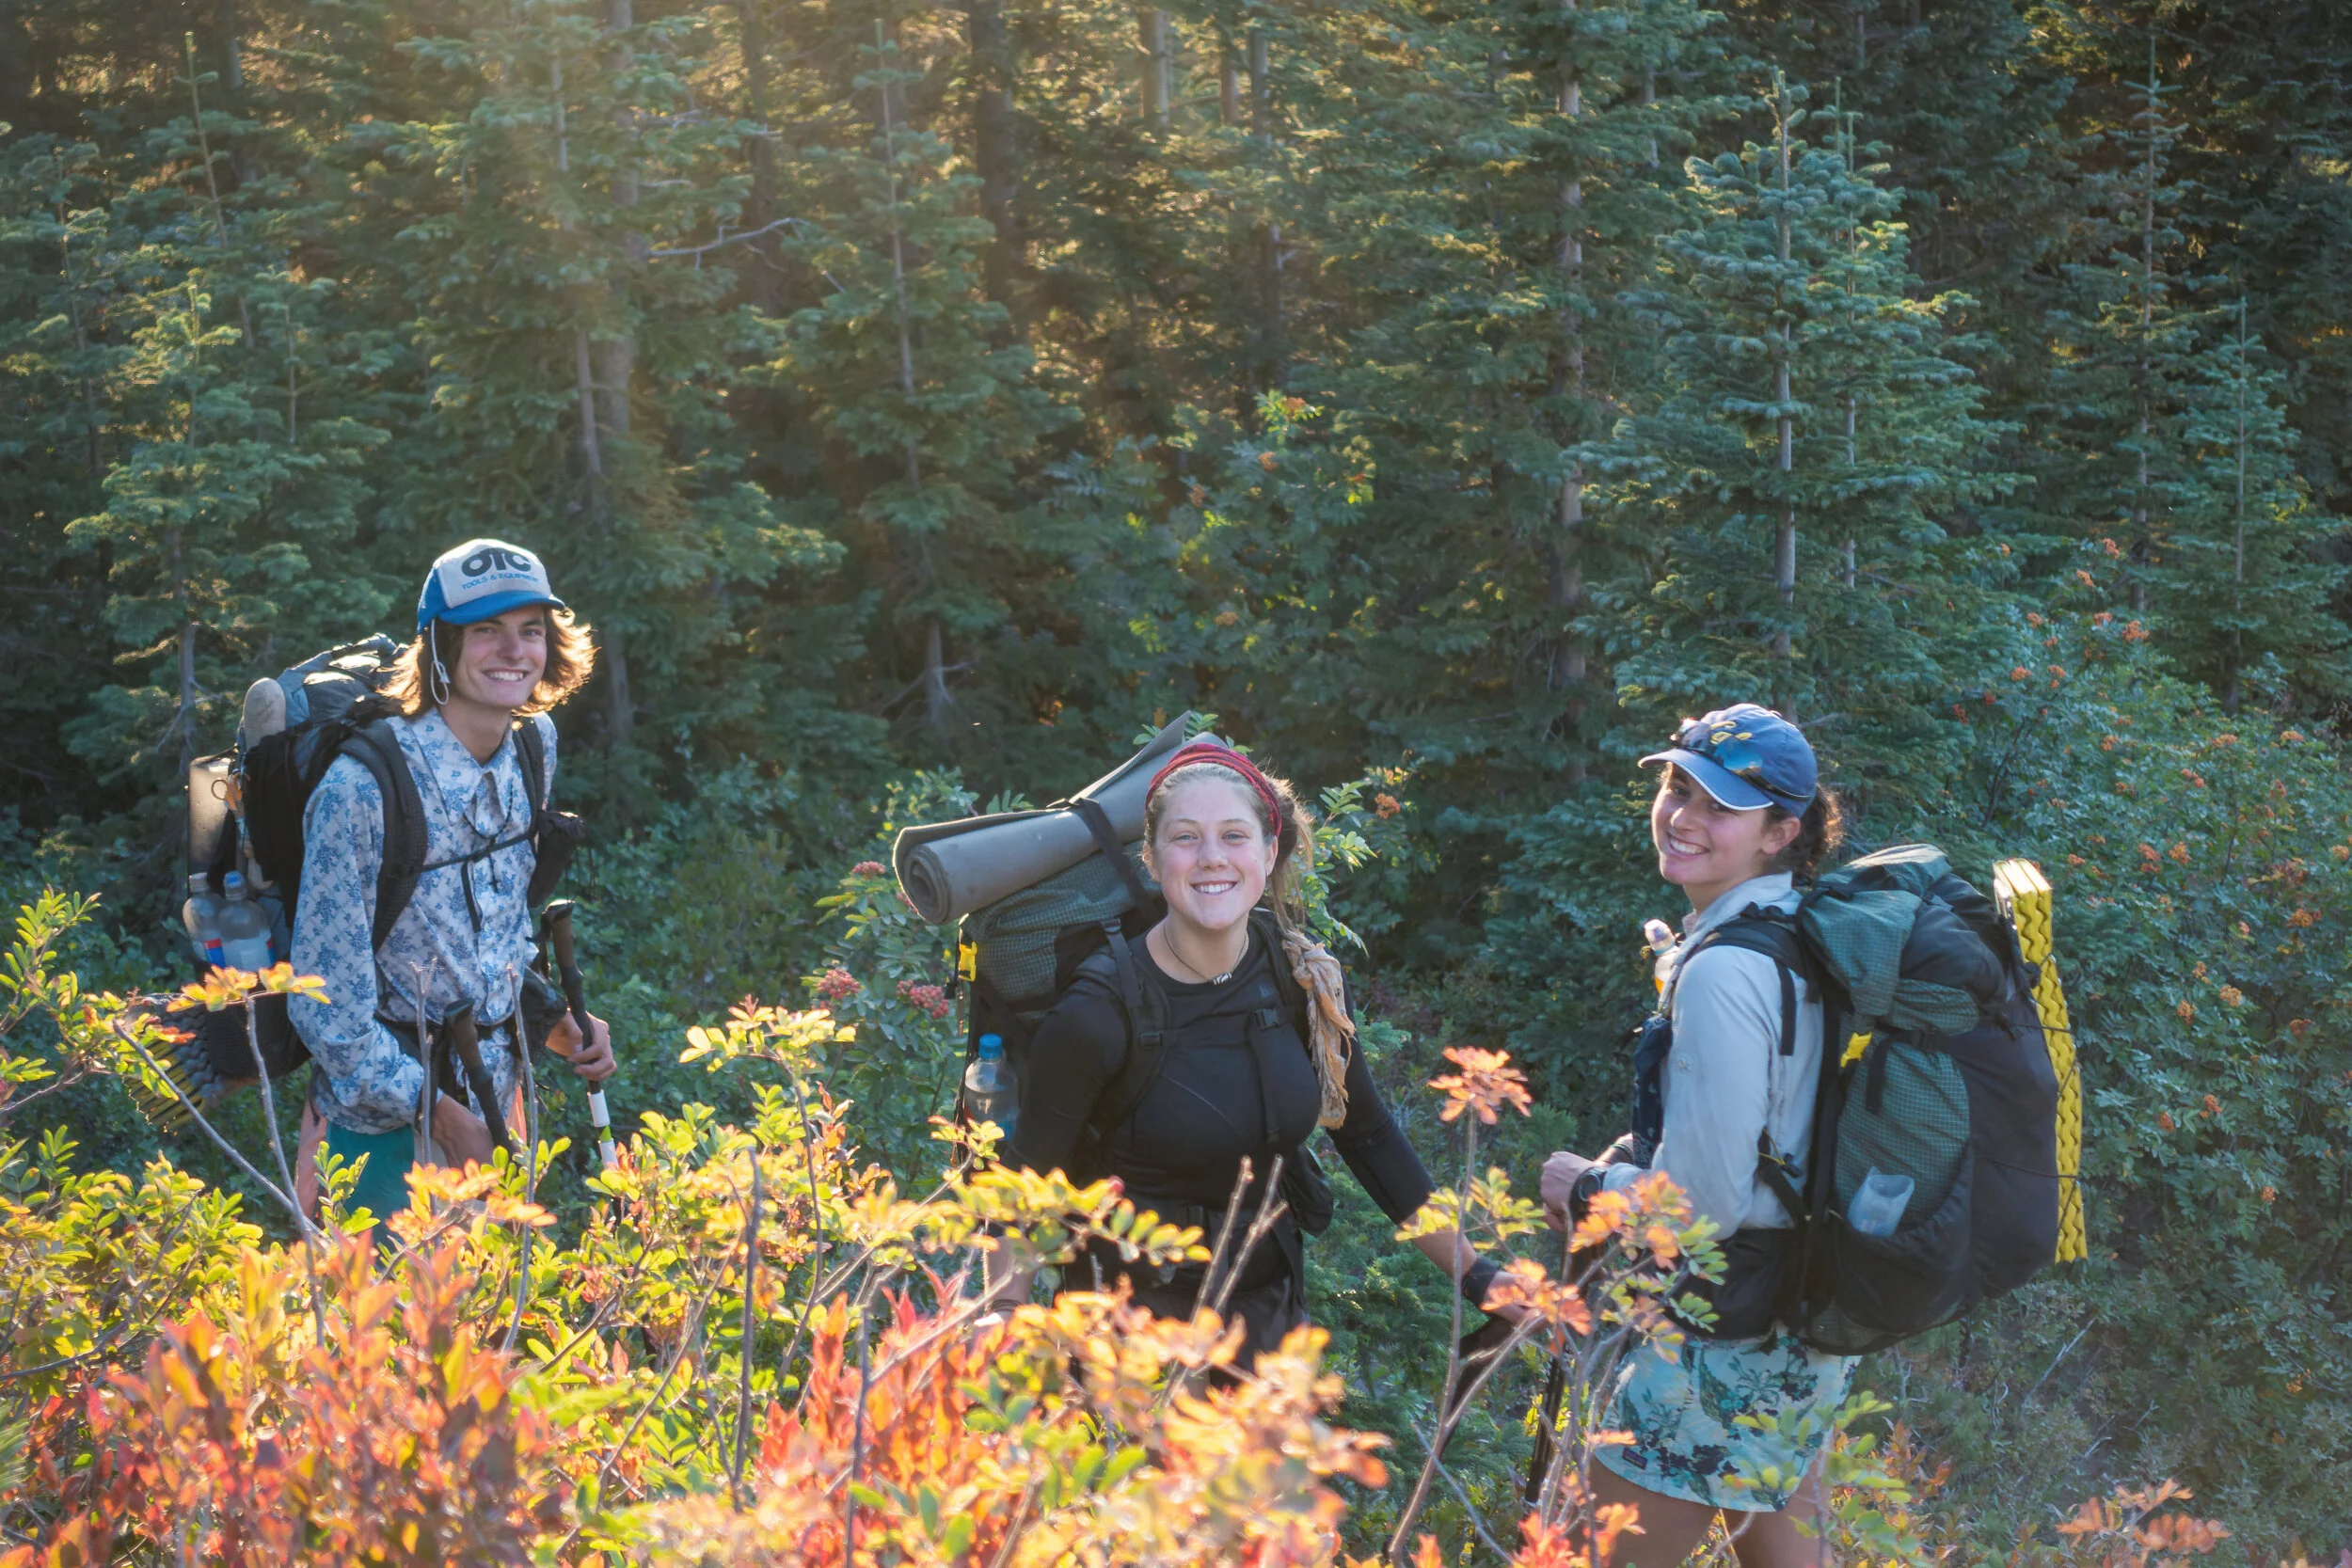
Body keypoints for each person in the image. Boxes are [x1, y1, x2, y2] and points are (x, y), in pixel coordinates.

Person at [987, 740, 1514, 1366]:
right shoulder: (1099, 1012)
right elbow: (1021, 1187)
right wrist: (999, 1329)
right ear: (1151, 860)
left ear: (1269, 851)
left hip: (1269, 1319)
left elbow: (1367, 1134)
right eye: (1186, 838)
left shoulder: (1299, 978)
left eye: (1234, 836)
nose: (1212, 858)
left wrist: (1479, 1277)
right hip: (1132, 1342)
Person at [1539, 705, 1851, 1568]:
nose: (1683, 814)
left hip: (1720, 1332)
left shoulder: (1724, 970)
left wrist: (1587, 1189)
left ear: (1780, 832)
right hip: (1800, 1325)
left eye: (1719, 805)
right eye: (1678, 785)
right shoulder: (1805, 938)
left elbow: (1704, 1204)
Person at [291, 538, 615, 1226]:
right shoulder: (363, 787)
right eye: (485, 631)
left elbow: (495, 926)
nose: (513, 651)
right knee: (375, 1328)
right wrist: (436, 1110)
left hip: (497, 1098)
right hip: (375, 1129)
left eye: (531, 630)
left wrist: (552, 1019)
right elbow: (325, 1006)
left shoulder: (534, 745)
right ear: (439, 644)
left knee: (494, 1323)